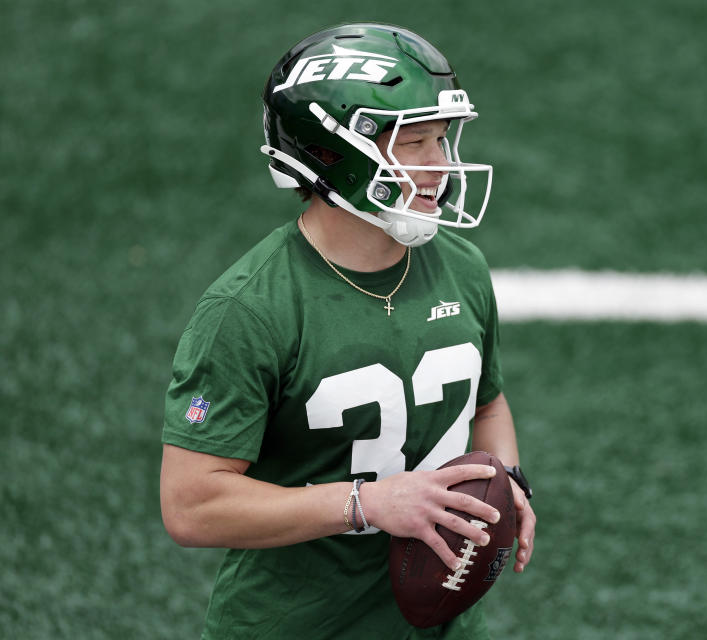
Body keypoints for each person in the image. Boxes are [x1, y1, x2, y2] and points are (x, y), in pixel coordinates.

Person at [159, 23, 536, 639]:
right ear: (330, 151)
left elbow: (488, 402)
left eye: (442, 137)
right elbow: (191, 505)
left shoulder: (462, 267)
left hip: (442, 622)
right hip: (300, 625)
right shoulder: (251, 309)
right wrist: (365, 504)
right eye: (413, 142)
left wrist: (504, 486)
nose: (441, 164)